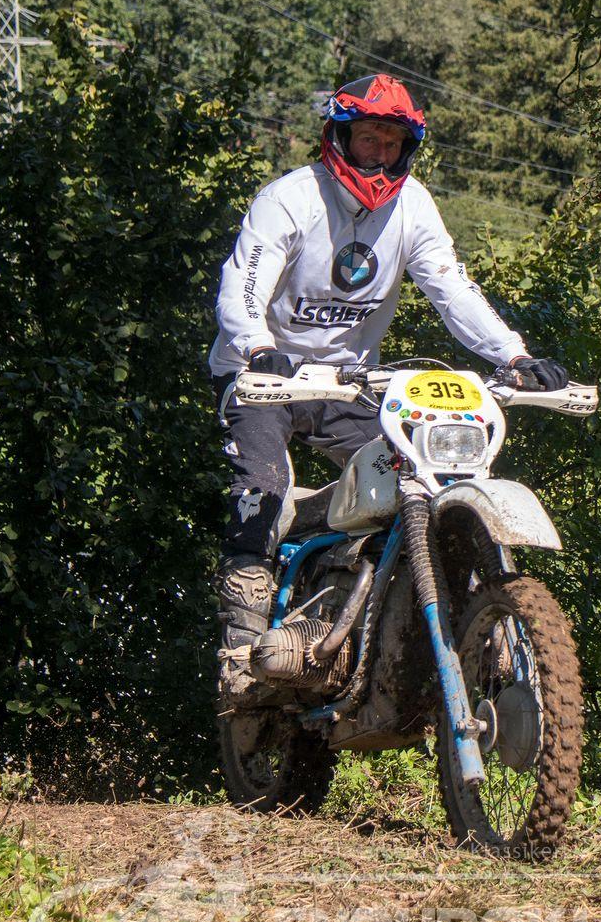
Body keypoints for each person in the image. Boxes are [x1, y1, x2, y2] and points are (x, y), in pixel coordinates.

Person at [209, 73, 568, 704]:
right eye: (369, 138)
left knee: (415, 481)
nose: (379, 155)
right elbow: (243, 284)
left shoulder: (413, 207)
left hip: (351, 384)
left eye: (392, 143)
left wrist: (513, 354)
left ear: (408, 149)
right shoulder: (289, 199)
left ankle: (396, 626)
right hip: (265, 376)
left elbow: (452, 288)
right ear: (340, 136)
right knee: (261, 491)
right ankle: (240, 655)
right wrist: (259, 348)